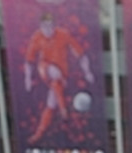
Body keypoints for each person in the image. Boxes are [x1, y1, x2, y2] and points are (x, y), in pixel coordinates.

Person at [23, 12, 94, 144]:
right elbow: (29, 61)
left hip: (62, 76)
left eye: (50, 26)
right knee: (53, 72)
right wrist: (27, 78)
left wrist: (87, 72)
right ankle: (63, 110)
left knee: (51, 102)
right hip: (45, 69)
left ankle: (39, 133)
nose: (48, 30)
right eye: (45, 27)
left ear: (54, 26)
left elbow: (80, 54)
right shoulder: (37, 37)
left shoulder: (63, 34)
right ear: (41, 27)